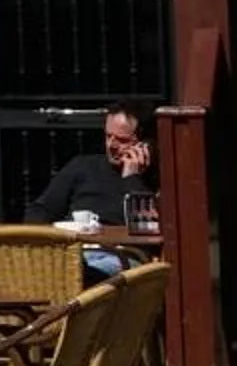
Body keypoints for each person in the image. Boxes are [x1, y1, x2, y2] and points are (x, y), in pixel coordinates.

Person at [25, 104, 155, 278]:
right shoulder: (83, 167)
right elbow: (40, 210)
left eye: (122, 140)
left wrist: (132, 178)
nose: (111, 145)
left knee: (83, 273)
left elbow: (146, 230)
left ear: (144, 145)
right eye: (108, 136)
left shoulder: (153, 180)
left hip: (120, 256)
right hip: (74, 253)